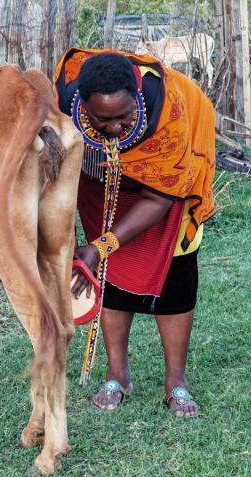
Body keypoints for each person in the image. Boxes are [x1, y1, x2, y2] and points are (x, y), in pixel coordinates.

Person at [54, 48, 216, 417]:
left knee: (175, 278)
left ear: (137, 99)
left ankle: (176, 381)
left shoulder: (169, 111)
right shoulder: (64, 99)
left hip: (166, 185)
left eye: (123, 117)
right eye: (101, 119)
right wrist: (85, 246)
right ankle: (118, 375)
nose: (113, 128)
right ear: (83, 104)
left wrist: (101, 244)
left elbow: (158, 200)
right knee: (110, 276)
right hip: (102, 183)